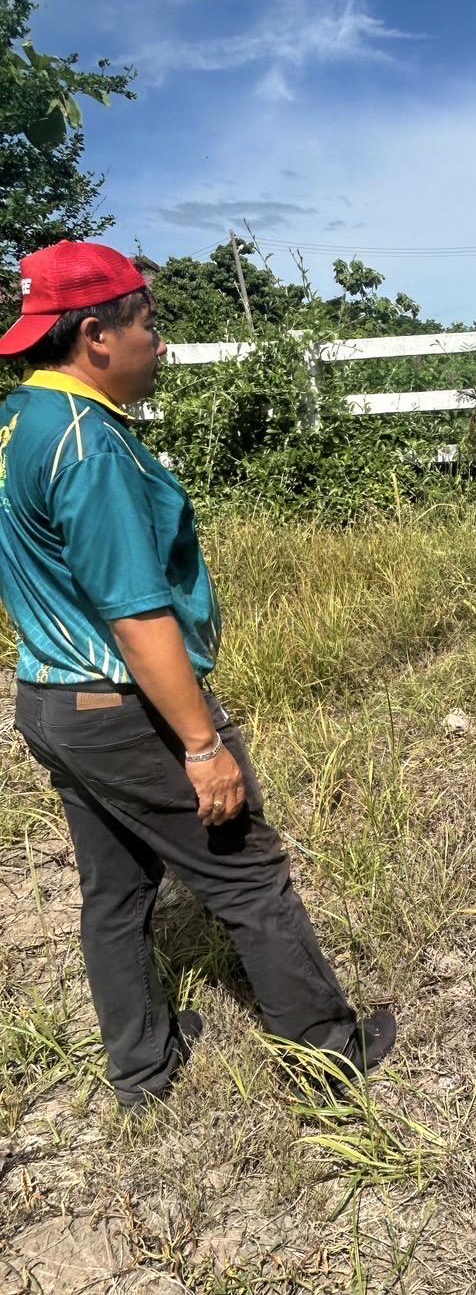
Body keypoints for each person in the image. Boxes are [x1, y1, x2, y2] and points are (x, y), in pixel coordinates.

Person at [0, 240, 396, 1109]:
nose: (162, 342)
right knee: (248, 873)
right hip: (119, 706)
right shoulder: (88, 443)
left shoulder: (17, 421)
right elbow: (136, 616)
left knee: (114, 888)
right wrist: (202, 741)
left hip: (49, 699)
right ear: (96, 334)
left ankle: (142, 1068)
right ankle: (328, 1057)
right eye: (151, 323)